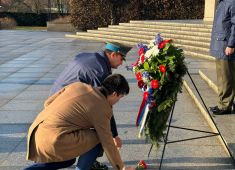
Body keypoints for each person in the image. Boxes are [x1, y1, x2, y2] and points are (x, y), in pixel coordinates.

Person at [48, 42, 132, 169]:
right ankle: (86, 165)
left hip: (56, 100)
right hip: (66, 108)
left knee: (93, 128)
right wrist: (114, 135)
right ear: (113, 54)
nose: (121, 63)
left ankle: (89, 162)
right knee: (100, 135)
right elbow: (104, 106)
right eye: (121, 59)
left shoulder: (89, 56)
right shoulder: (100, 71)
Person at [24, 74, 135, 170]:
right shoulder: (102, 108)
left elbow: (47, 103)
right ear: (114, 94)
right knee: (99, 138)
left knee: (69, 160)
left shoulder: (78, 85)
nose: (118, 101)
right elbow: (107, 142)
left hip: (36, 133)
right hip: (55, 140)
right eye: (120, 97)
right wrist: (121, 167)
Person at [209, 0, 235, 115]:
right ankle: (224, 102)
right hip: (220, 45)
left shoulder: (231, 2)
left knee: (225, 78)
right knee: (224, 77)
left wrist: (231, 44)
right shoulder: (222, 2)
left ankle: (224, 105)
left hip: (226, 47)